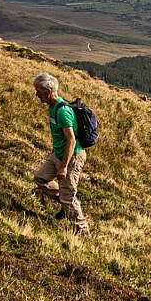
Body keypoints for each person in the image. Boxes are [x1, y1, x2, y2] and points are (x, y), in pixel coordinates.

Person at [32, 72, 88, 236]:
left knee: (68, 196)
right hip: (58, 154)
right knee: (41, 179)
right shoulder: (52, 107)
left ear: (48, 91)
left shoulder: (62, 111)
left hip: (71, 157)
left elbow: (71, 141)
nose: (37, 95)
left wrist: (63, 167)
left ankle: (82, 231)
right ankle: (64, 203)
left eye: (39, 92)